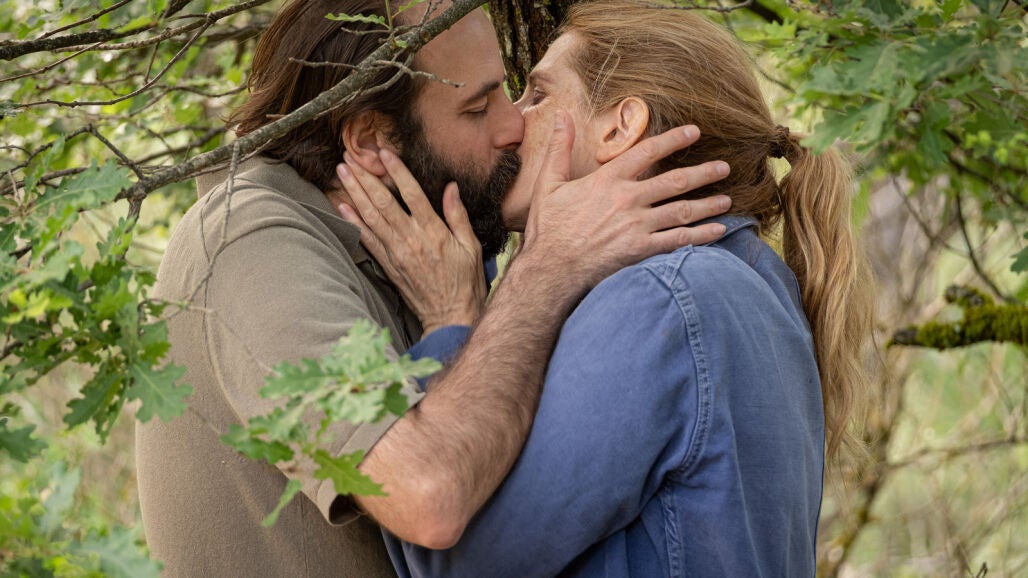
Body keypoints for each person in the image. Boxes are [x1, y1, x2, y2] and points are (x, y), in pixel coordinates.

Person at [134, 1, 731, 576]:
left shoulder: (429, 243)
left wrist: (458, 319)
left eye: (509, 91)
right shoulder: (250, 242)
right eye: (477, 108)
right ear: (371, 140)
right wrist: (544, 269)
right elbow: (429, 498)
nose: (514, 125)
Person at [332, 1, 876, 576]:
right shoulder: (747, 282)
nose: (513, 123)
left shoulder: (660, 300)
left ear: (620, 127)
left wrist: (452, 324)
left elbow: (451, 561)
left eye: (538, 95)